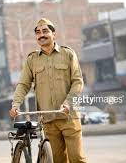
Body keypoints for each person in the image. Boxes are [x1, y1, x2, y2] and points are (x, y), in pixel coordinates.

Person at [9, 18, 87, 163]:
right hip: (48, 120)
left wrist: (68, 103)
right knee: (58, 160)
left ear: (54, 34)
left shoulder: (68, 54)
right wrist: (16, 104)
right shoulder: (32, 60)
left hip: (69, 117)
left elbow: (78, 82)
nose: (41, 35)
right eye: (38, 32)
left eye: (45, 31)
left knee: (77, 158)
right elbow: (23, 84)